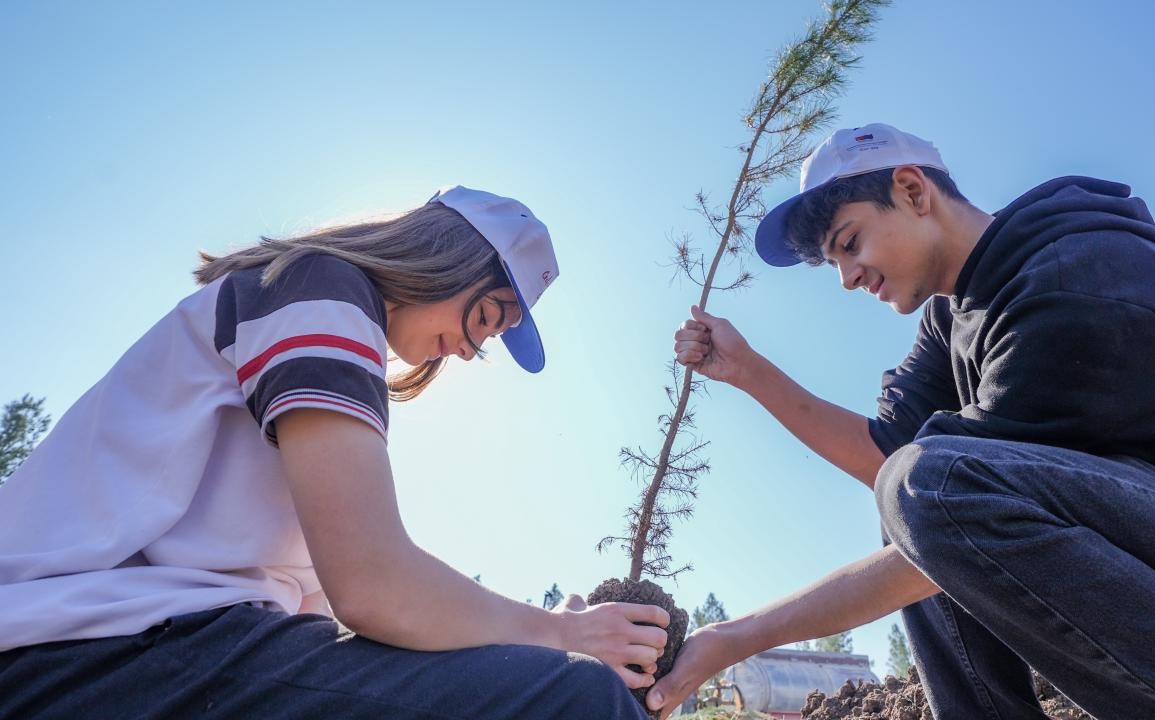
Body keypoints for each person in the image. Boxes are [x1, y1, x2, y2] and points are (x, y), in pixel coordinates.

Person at [651, 124, 1155, 719]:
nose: (845, 279)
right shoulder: (953, 315)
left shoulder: (1074, 281)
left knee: (929, 483)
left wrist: (736, 638)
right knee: (916, 481)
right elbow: (886, 460)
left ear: (912, 190)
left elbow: (936, 502)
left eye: (849, 243)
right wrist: (748, 370)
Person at [0, 185, 667, 719]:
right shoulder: (321, 287)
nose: (471, 348)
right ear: (448, 260)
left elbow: (362, 598)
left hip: (144, 642)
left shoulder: (308, 310)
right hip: (86, 646)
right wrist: (558, 634)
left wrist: (520, 633)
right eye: (485, 317)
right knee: (571, 697)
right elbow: (374, 587)